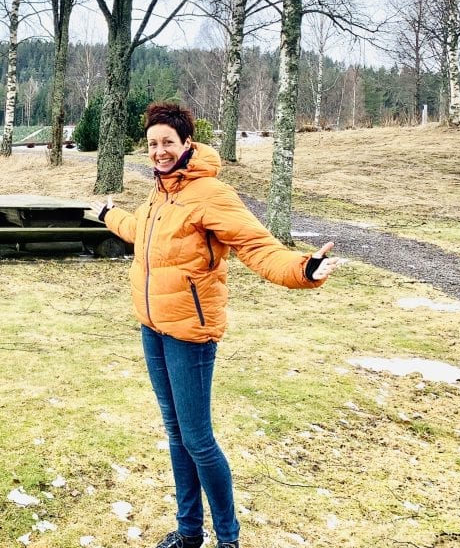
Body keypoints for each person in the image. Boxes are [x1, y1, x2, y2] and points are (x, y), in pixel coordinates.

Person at [94, 101, 344, 548]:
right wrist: (107, 216)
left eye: (168, 142)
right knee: (176, 434)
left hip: (191, 331)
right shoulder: (161, 191)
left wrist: (303, 269)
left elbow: (256, 245)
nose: (159, 151)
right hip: (153, 327)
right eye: (153, 144)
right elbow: (140, 230)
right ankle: (189, 532)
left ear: (187, 143)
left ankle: (228, 538)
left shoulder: (210, 194)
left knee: (198, 440)